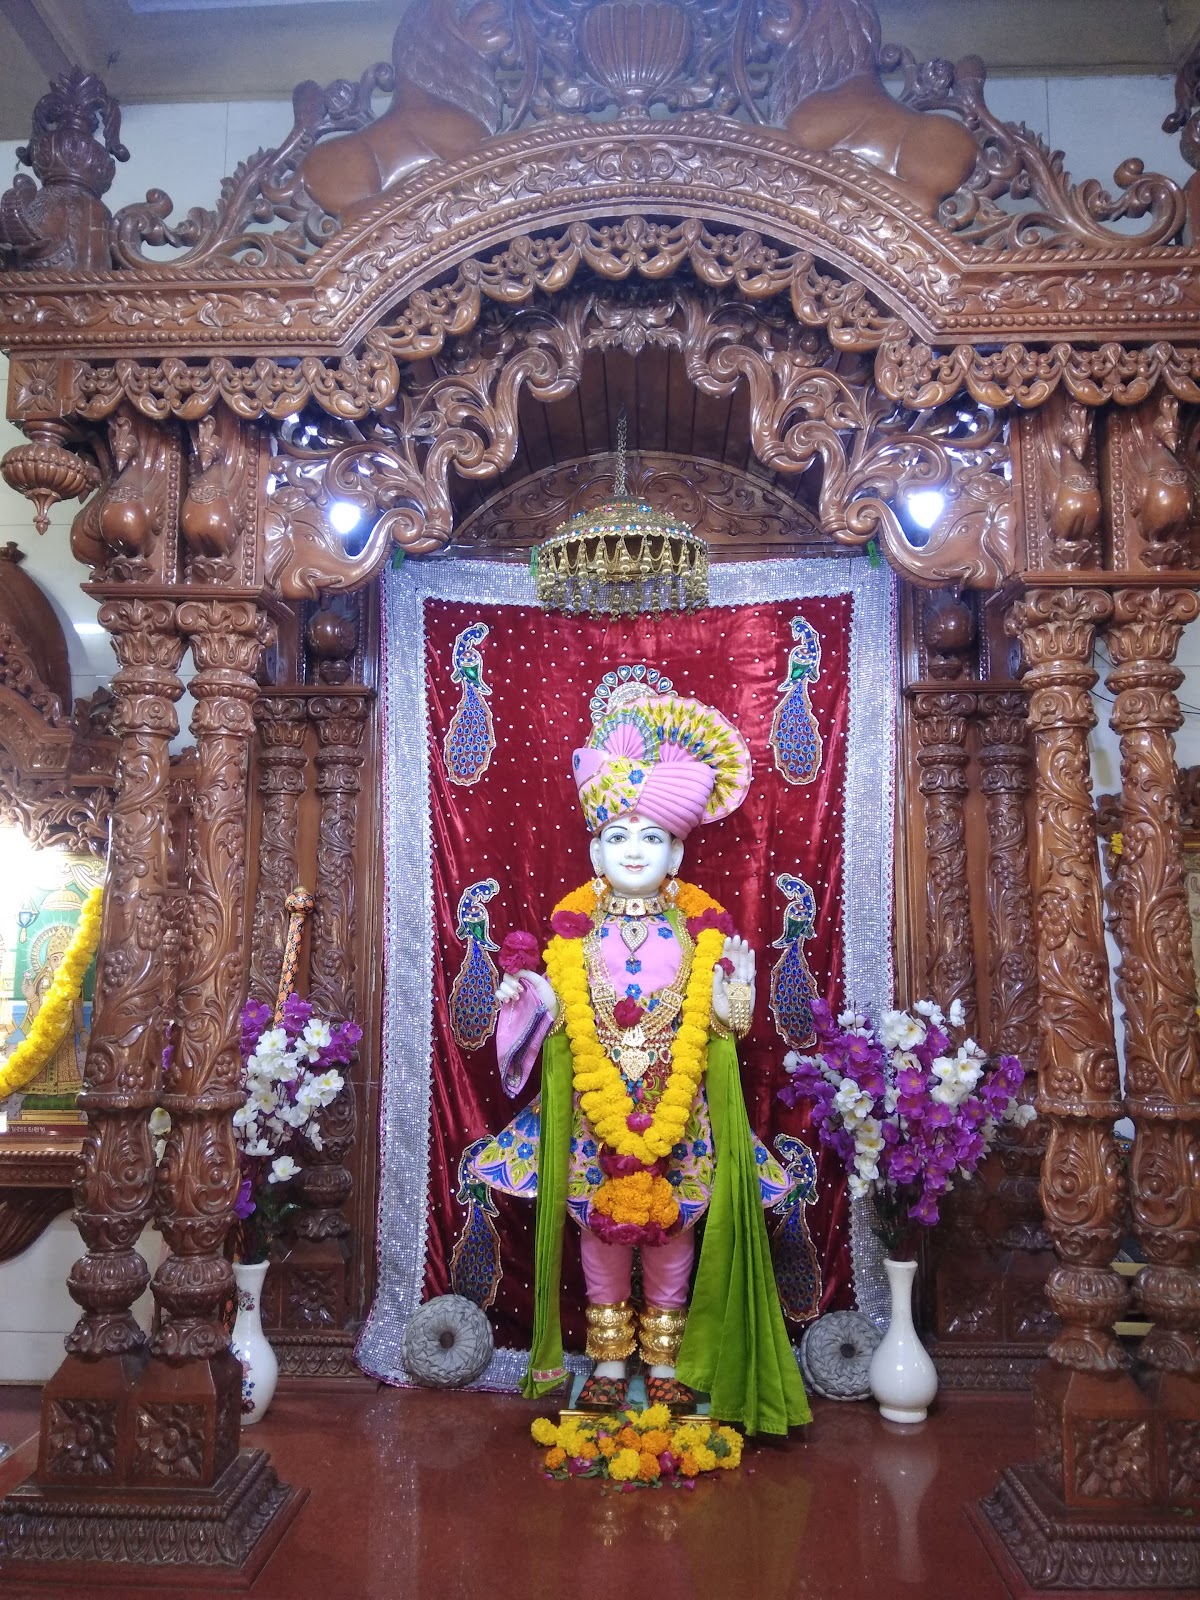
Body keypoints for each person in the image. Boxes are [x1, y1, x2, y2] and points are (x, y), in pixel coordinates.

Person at [471, 682, 810, 1435]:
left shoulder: (698, 933)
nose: (633, 849)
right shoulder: (572, 937)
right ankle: (609, 1368)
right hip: (595, 1113)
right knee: (599, 1234)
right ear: (595, 847)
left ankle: (663, 1369)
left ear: (678, 851)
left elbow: (728, 1028)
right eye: (619, 834)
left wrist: (737, 1001)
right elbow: (555, 1014)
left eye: (651, 837)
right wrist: (522, 995)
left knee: (672, 1234)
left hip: (677, 1108)